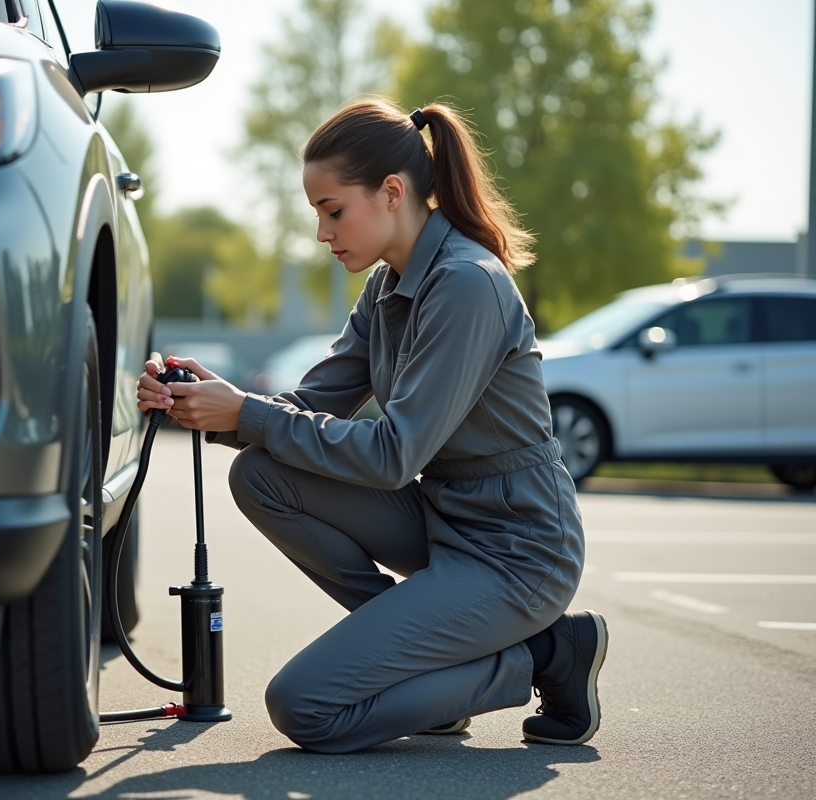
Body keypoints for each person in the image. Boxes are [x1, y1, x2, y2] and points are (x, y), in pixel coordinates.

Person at [135, 97, 607, 754]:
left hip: (517, 551)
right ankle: (423, 664)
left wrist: (248, 412)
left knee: (305, 707)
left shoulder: (468, 283)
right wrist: (212, 397)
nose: (322, 234)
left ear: (392, 193)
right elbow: (308, 407)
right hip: (444, 520)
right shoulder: (388, 287)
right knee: (263, 475)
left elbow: (393, 454)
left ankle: (545, 653)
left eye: (333, 211)